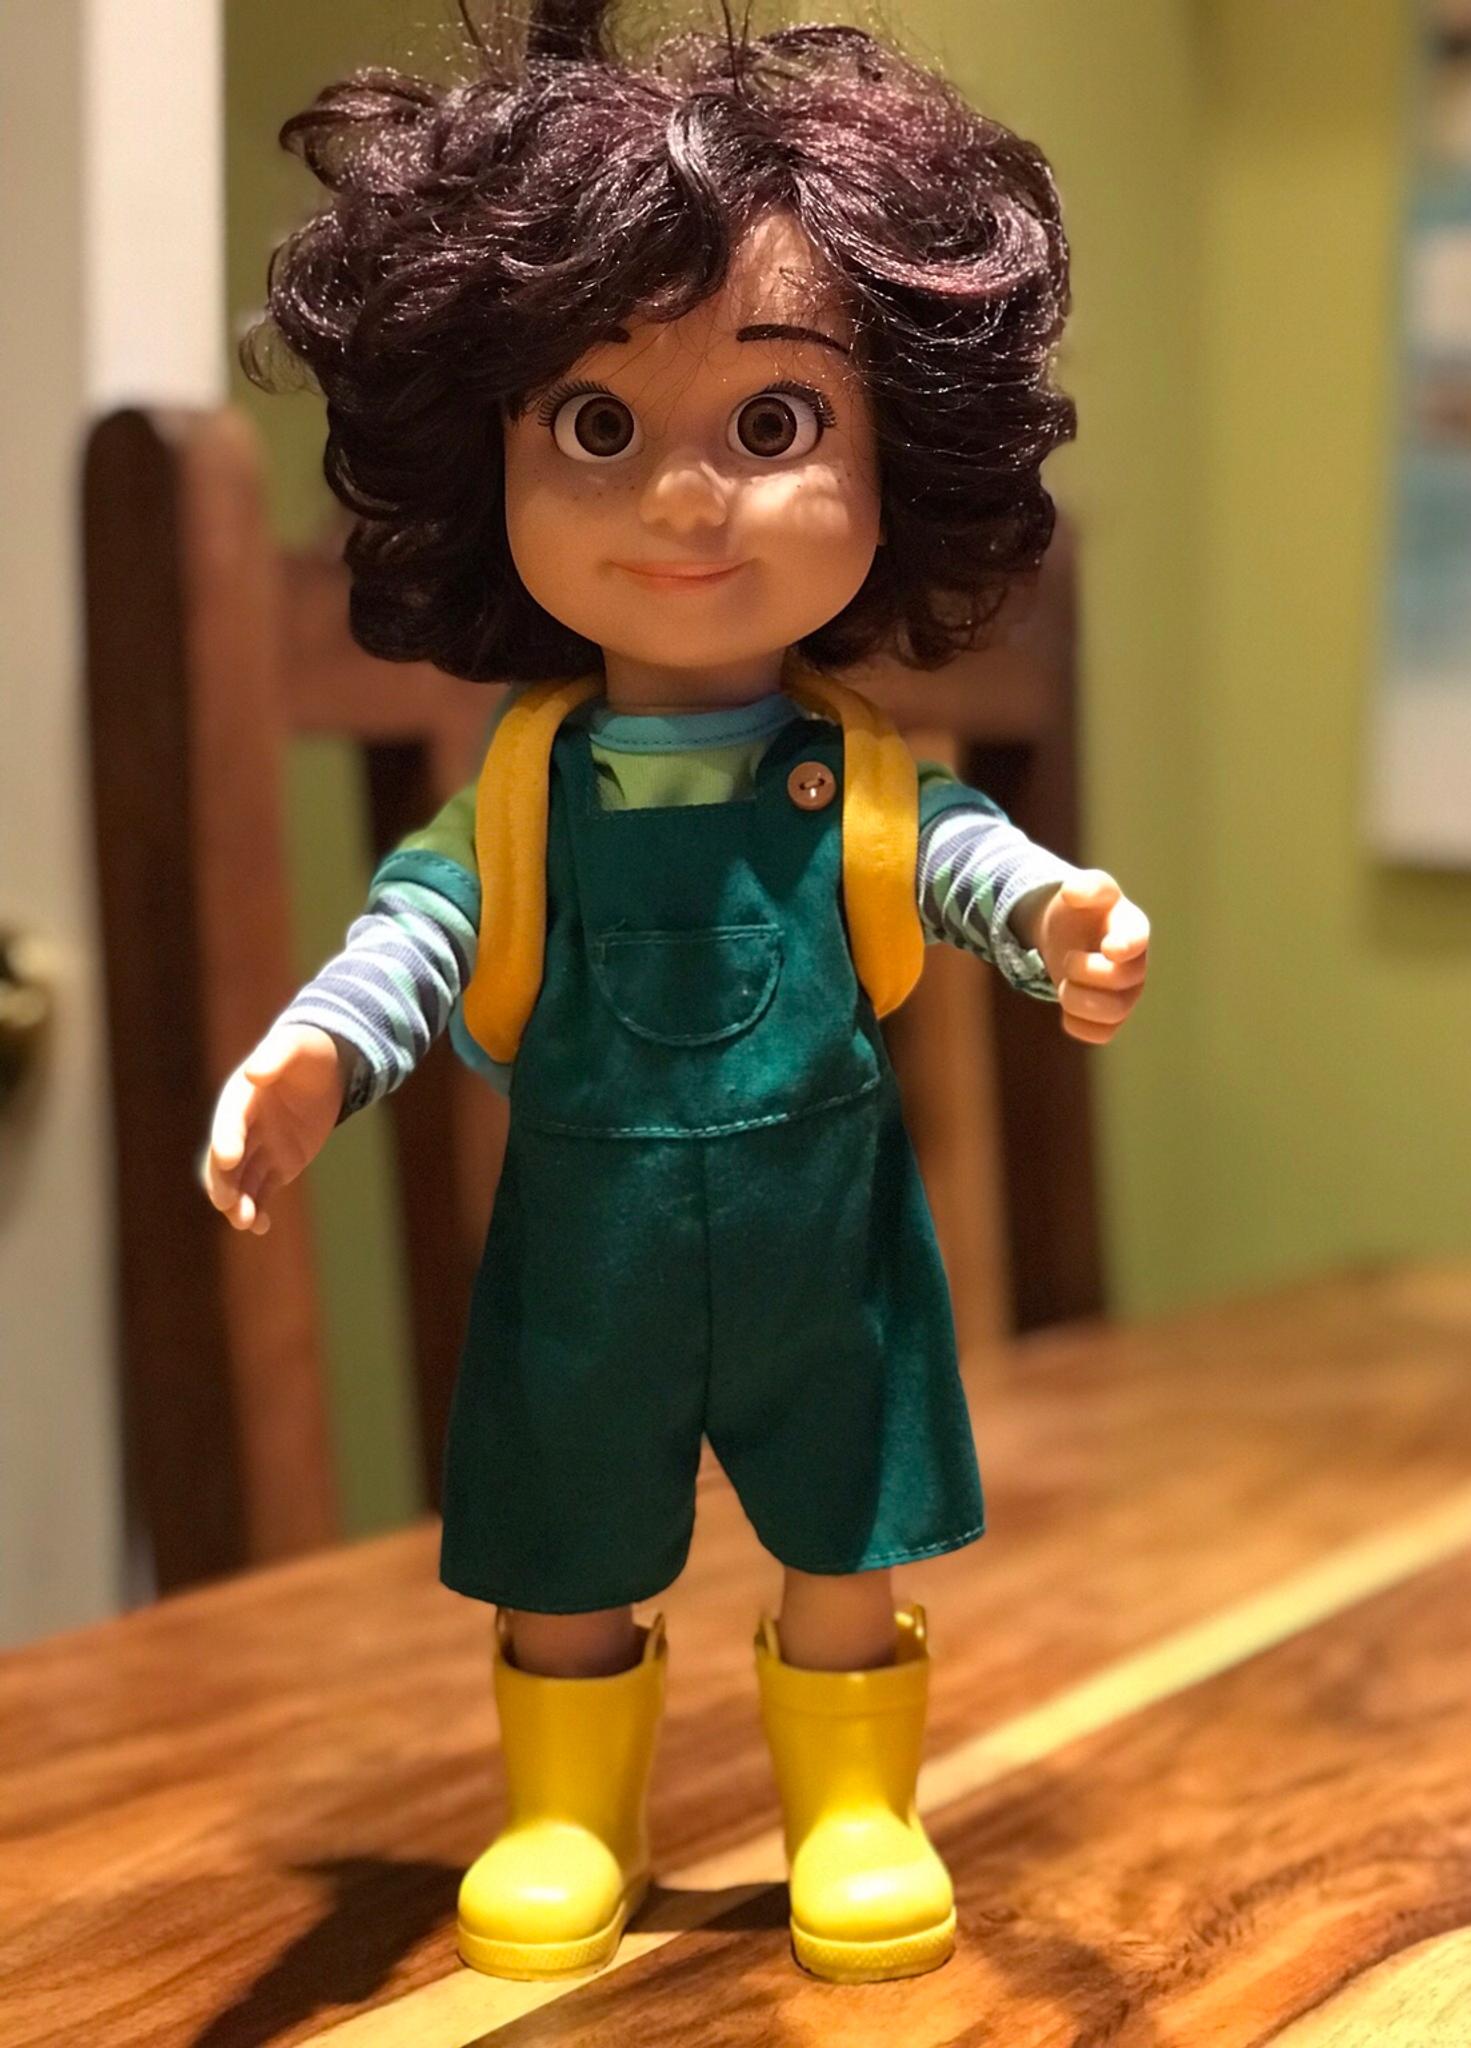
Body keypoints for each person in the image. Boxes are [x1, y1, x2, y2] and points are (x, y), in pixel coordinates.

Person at [203, 0, 1150, 1986]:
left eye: (775, 425)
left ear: (904, 452)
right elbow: (418, 930)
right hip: (589, 1244)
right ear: (483, 452)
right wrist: (314, 1055)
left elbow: (967, 862)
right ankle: (567, 1807)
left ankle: (855, 1804)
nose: (687, 502)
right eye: (597, 427)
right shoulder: (524, 790)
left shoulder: (859, 780)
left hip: (826, 1242)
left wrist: (1058, 918)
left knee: (845, 1517)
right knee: (564, 1524)